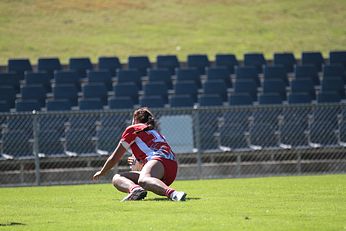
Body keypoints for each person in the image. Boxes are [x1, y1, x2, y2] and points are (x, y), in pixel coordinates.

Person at [93, 107, 187, 202]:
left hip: (158, 161)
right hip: (171, 167)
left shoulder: (133, 129)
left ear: (136, 119)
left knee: (143, 179)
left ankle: (173, 194)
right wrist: (137, 163)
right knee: (117, 178)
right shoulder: (154, 132)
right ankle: (135, 190)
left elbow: (115, 157)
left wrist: (102, 172)